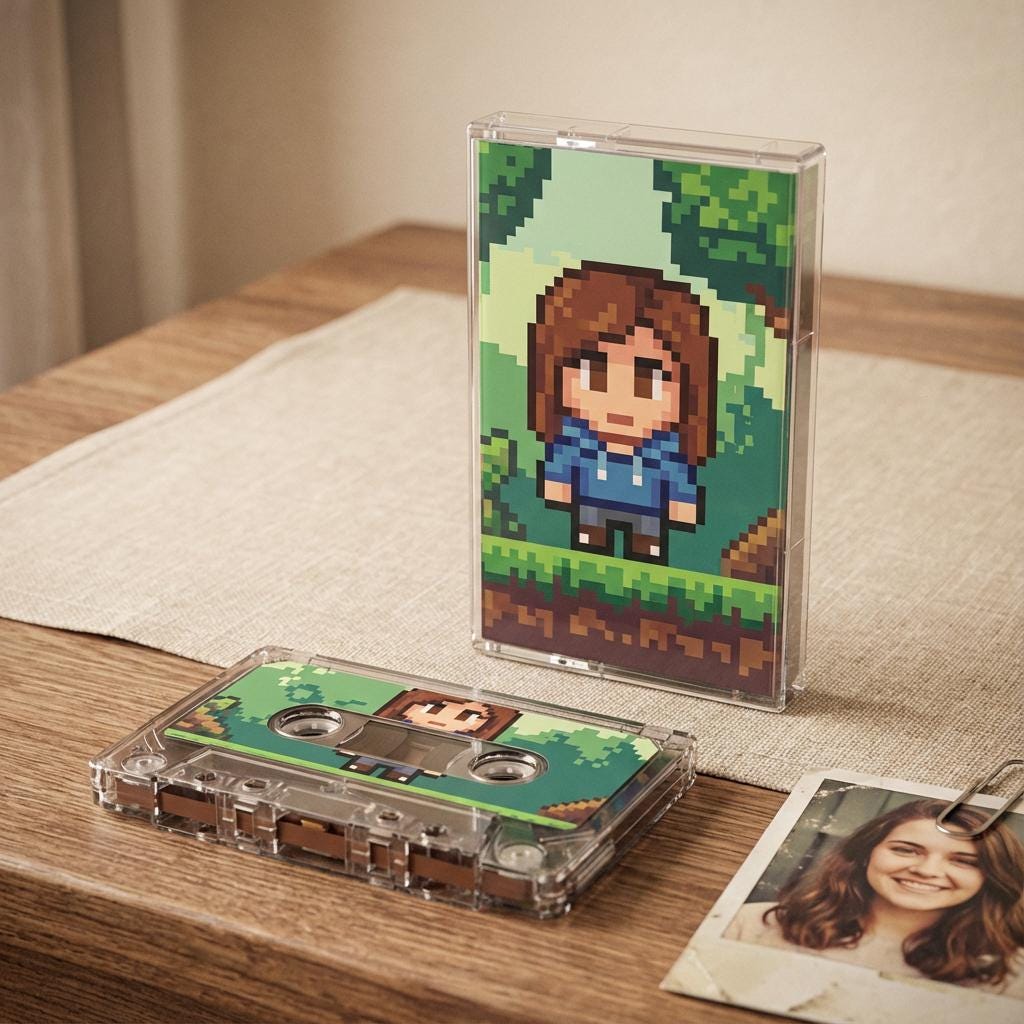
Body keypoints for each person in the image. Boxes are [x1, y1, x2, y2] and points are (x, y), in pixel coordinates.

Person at [726, 798, 1024, 996]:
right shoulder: (753, 922)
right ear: (866, 854)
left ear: (991, 876)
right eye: (905, 849)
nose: (927, 870)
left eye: (963, 861)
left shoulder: (1012, 974)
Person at [527, 262, 717, 565]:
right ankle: (590, 544)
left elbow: (677, 476)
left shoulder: (664, 446)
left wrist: (683, 503)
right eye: (595, 376)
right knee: (590, 536)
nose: (619, 402)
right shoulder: (577, 435)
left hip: (647, 510)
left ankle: (648, 549)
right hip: (591, 503)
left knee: (647, 543)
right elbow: (563, 462)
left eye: (648, 383)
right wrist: (557, 486)